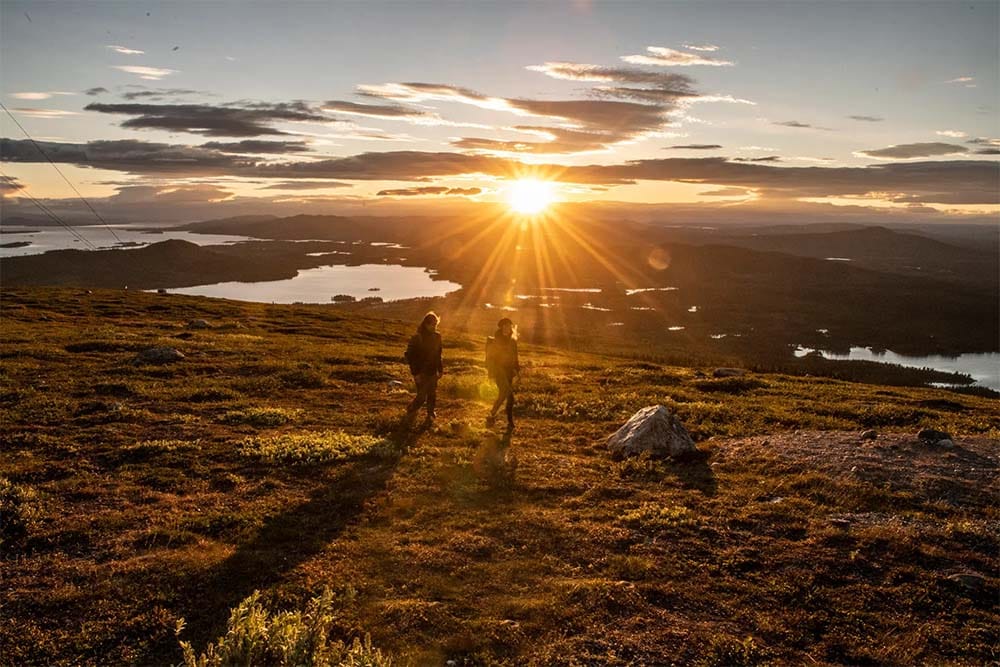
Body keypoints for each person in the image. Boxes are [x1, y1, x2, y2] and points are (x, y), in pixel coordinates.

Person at [405, 312, 443, 423]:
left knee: (432, 394)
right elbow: (410, 357)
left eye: (436, 324)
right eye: (432, 324)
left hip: (432, 371)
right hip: (421, 372)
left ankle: (430, 413)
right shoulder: (417, 337)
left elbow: (439, 354)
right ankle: (411, 410)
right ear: (426, 324)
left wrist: (440, 369)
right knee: (421, 396)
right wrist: (415, 373)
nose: (434, 327)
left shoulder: (437, 336)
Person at [486, 317, 520, 429]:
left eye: (509, 326)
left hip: (509, 371)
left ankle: (508, 420)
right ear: (501, 328)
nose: (507, 328)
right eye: (505, 326)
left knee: (509, 397)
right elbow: (490, 358)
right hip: (499, 371)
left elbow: (515, 358)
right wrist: (491, 373)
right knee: (506, 392)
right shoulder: (496, 341)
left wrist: (517, 371)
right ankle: (492, 414)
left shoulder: (513, 341)